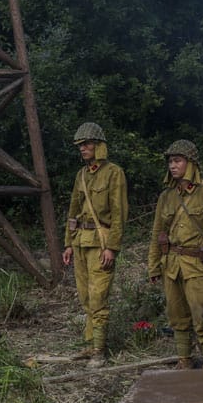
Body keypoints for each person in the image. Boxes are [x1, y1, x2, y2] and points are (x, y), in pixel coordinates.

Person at [147, 140, 203, 369]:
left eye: (177, 161)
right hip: (172, 266)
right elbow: (157, 232)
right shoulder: (167, 196)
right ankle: (184, 360)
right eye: (170, 162)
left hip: (198, 265)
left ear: (190, 163)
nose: (172, 166)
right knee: (177, 317)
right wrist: (154, 266)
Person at [62, 122, 128, 367]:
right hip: (80, 243)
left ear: (99, 146)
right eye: (80, 145)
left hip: (101, 244)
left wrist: (112, 247)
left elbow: (119, 214)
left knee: (99, 297)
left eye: (87, 144)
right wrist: (68, 243)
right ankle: (90, 345)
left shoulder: (113, 173)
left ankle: (99, 351)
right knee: (85, 297)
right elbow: (73, 211)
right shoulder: (81, 175)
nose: (82, 148)